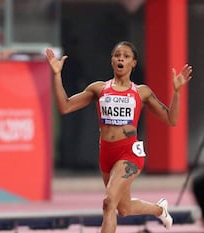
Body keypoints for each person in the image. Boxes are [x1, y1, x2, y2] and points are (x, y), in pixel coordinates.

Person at [46, 41, 192, 233]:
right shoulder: (99, 89)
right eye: (117, 55)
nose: (120, 58)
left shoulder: (141, 92)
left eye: (126, 55)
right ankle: (160, 209)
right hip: (106, 153)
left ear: (133, 63)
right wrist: (57, 75)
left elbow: (171, 120)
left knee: (108, 203)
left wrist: (177, 92)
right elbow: (65, 106)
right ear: (112, 61)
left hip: (129, 153)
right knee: (123, 208)